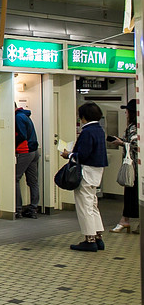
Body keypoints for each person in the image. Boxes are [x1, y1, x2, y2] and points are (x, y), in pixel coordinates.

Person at [61, 102, 108, 251]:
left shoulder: (87, 132)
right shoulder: (99, 130)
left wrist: (69, 154)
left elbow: (84, 154)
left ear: (83, 117)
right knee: (93, 204)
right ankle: (98, 236)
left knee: (84, 206)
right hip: (97, 171)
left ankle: (90, 239)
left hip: (86, 172)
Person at [108, 99, 139, 233]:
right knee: (131, 194)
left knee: (133, 194)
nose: (125, 113)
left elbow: (136, 144)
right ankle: (125, 220)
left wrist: (122, 143)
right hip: (133, 168)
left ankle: (125, 220)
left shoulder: (136, 127)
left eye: (127, 111)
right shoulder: (132, 126)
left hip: (135, 168)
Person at [15, 103, 40, 218]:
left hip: (25, 151)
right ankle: (33, 208)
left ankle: (17, 209)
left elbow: (22, 135)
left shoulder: (18, 117)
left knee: (15, 178)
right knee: (33, 181)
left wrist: (13, 144)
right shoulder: (25, 115)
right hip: (34, 151)